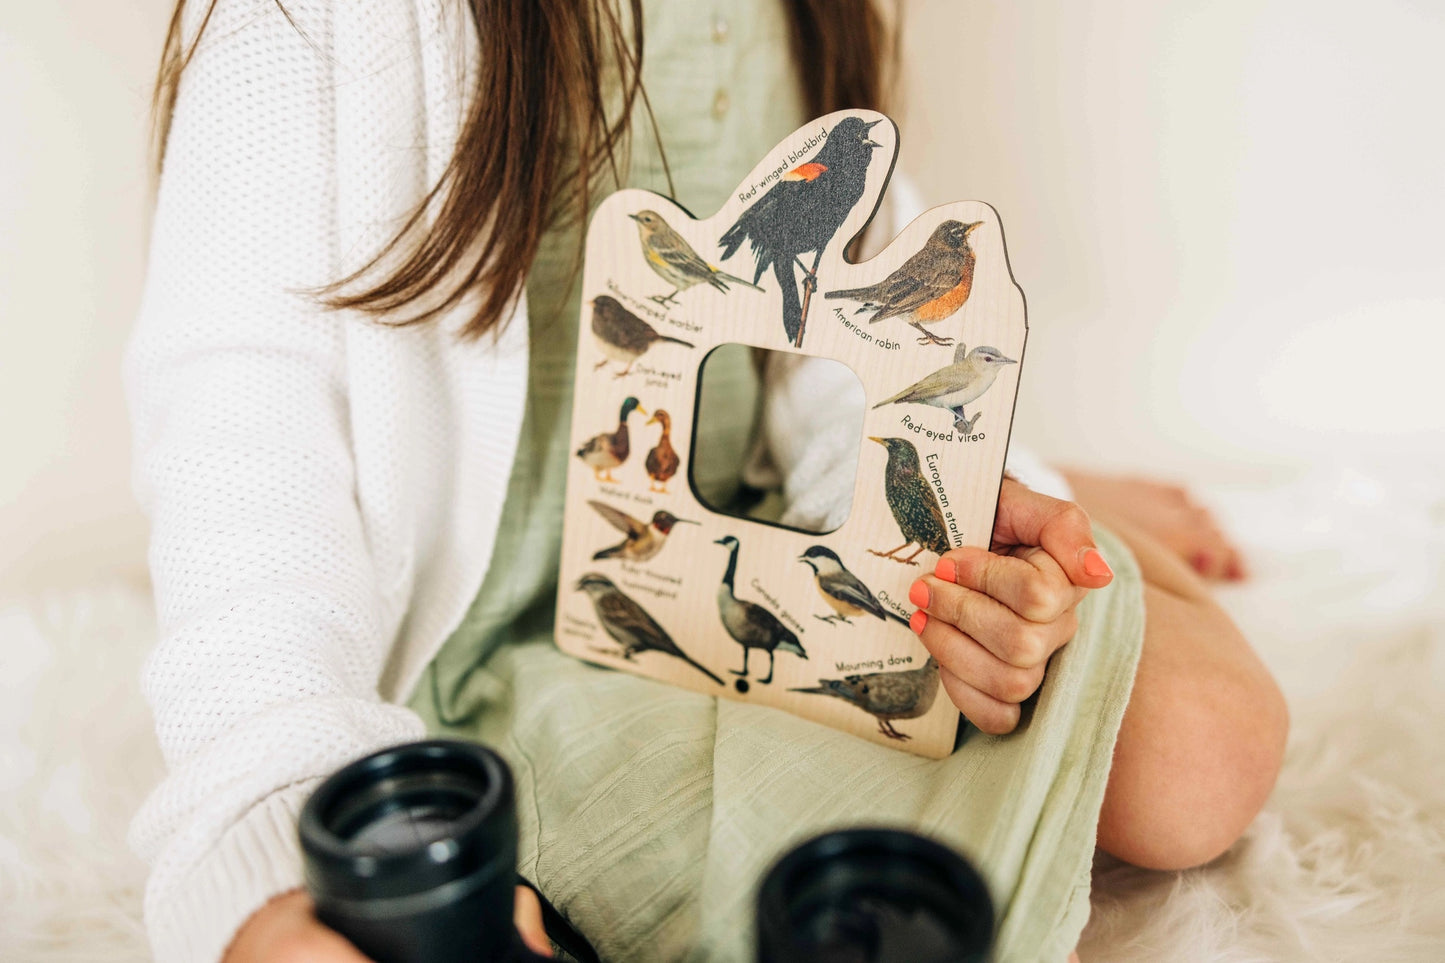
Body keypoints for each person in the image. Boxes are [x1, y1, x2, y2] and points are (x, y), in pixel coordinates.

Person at [127, 2, 1287, 961]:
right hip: (494, 668)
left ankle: (1047, 478)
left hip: (751, 538)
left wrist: (947, 494)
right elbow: (238, 450)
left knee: (1198, 744)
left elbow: (823, 341)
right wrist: (274, 834)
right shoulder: (310, 28)